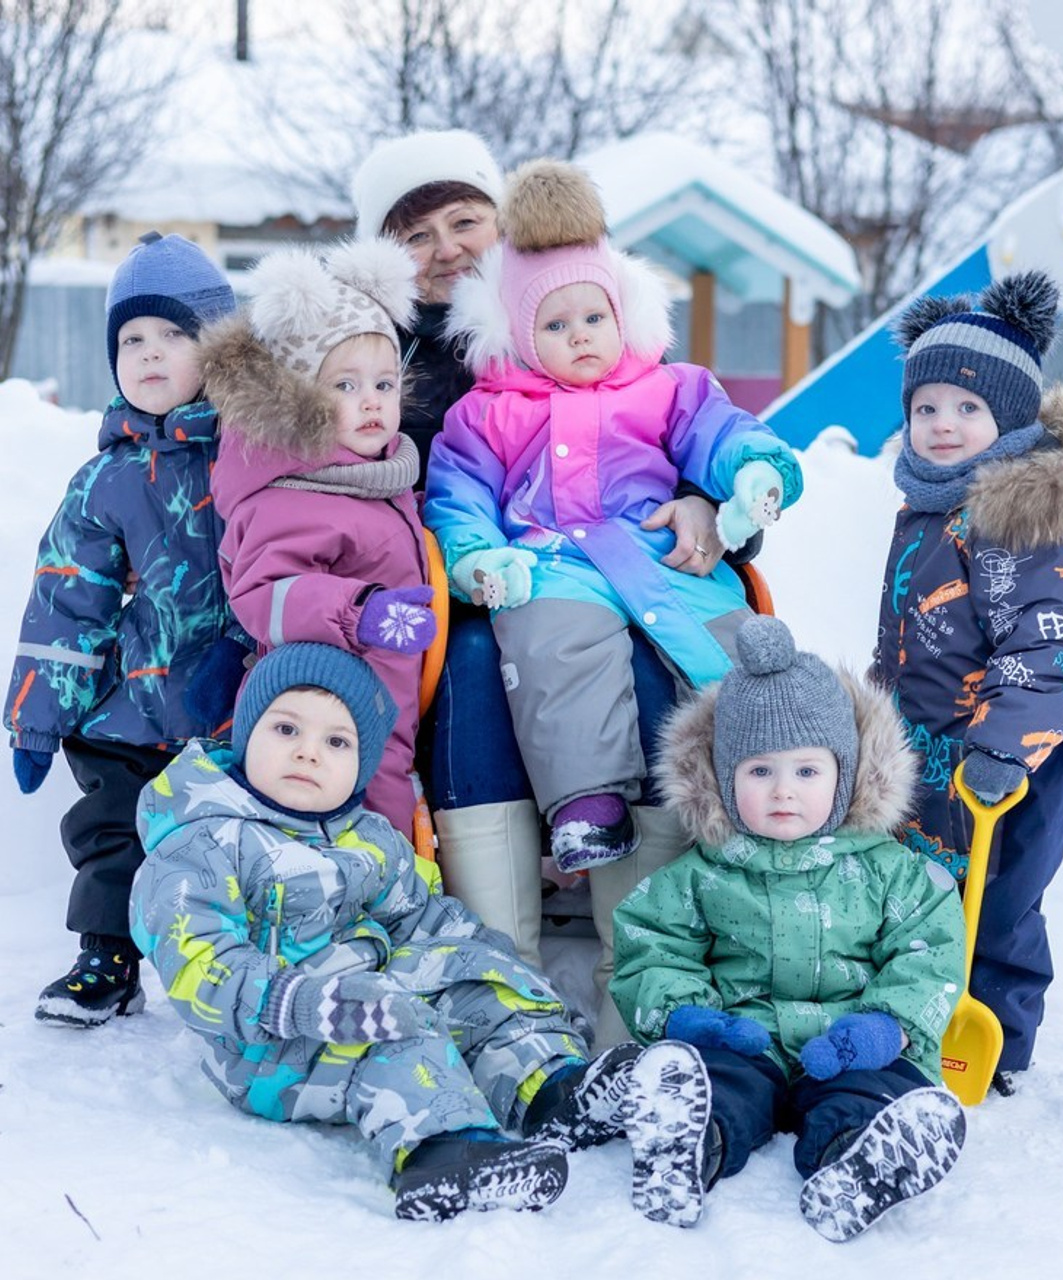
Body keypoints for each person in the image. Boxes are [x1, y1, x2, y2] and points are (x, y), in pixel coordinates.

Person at [352, 132, 765, 1037]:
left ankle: (644, 948)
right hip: (471, 577)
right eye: (416, 235)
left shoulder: (585, 307)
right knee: (472, 668)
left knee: (653, 656)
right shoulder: (383, 353)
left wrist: (704, 500)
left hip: (623, 562)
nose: (449, 245)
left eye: (466, 219)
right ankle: (505, 954)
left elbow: (679, 427)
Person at [128, 641, 653, 1221]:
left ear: (361, 762)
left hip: (366, 994)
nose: (308, 753)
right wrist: (300, 1003)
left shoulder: (369, 836)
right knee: (396, 1025)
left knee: (480, 991)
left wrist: (481, 963)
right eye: (285, 729)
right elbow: (198, 959)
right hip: (269, 1044)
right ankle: (444, 1149)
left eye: (336, 742)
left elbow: (422, 918)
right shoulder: (204, 841)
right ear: (245, 734)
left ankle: (557, 1090)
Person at [426, 156, 801, 866]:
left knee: (732, 640)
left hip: (659, 547)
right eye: (556, 324)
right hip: (549, 561)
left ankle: (781, 773)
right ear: (517, 335)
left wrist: (751, 472)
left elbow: (716, 431)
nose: (581, 335)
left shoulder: (665, 387)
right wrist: (478, 557)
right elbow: (461, 491)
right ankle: (588, 804)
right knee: (556, 652)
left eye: (595, 316)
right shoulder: (489, 411)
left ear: (623, 314)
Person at [610, 616, 968, 1243]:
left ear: (846, 774)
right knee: (720, 1082)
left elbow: (929, 954)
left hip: (854, 1040)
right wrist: (690, 1016)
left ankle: (858, 1159)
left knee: (869, 1090)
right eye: (758, 772)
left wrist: (888, 1028)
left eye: (806, 771)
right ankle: (693, 1145)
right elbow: (651, 947)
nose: (783, 792)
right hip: (748, 1040)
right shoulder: (701, 875)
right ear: (723, 778)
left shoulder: (891, 871)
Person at [871, 270, 1063, 1086]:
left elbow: (1045, 648)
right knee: (924, 892)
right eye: (927, 408)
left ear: (1012, 419)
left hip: (1018, 750)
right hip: (927, 739)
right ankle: (917, 1018)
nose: (943, 426)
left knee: (999, 900)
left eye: (967, 408)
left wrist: (1006, 747)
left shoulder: (1025, 516)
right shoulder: (931, 503)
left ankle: (1001, 1043)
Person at [4, 231, 238, 1026]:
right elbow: (67, 603)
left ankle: (242, 959)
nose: (149, 353)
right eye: (131, 338)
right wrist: (39, 718)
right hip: (127, 713)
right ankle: (105, 956)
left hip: (238, 708)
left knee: (238, 837)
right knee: (113, 831)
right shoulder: (104, 480)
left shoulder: (251, 456)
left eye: (175, 334)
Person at [201, 237, 437, 840]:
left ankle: (390, 891)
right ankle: (353, 894)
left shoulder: (374, 475)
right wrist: (358, 613)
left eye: (384, 386)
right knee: (351, 800)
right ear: (300, 399)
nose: (372, 404)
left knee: (387, 788)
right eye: (346, 386)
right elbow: (264, 594)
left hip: (388, 687)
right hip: (328, 702)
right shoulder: (293, 491)